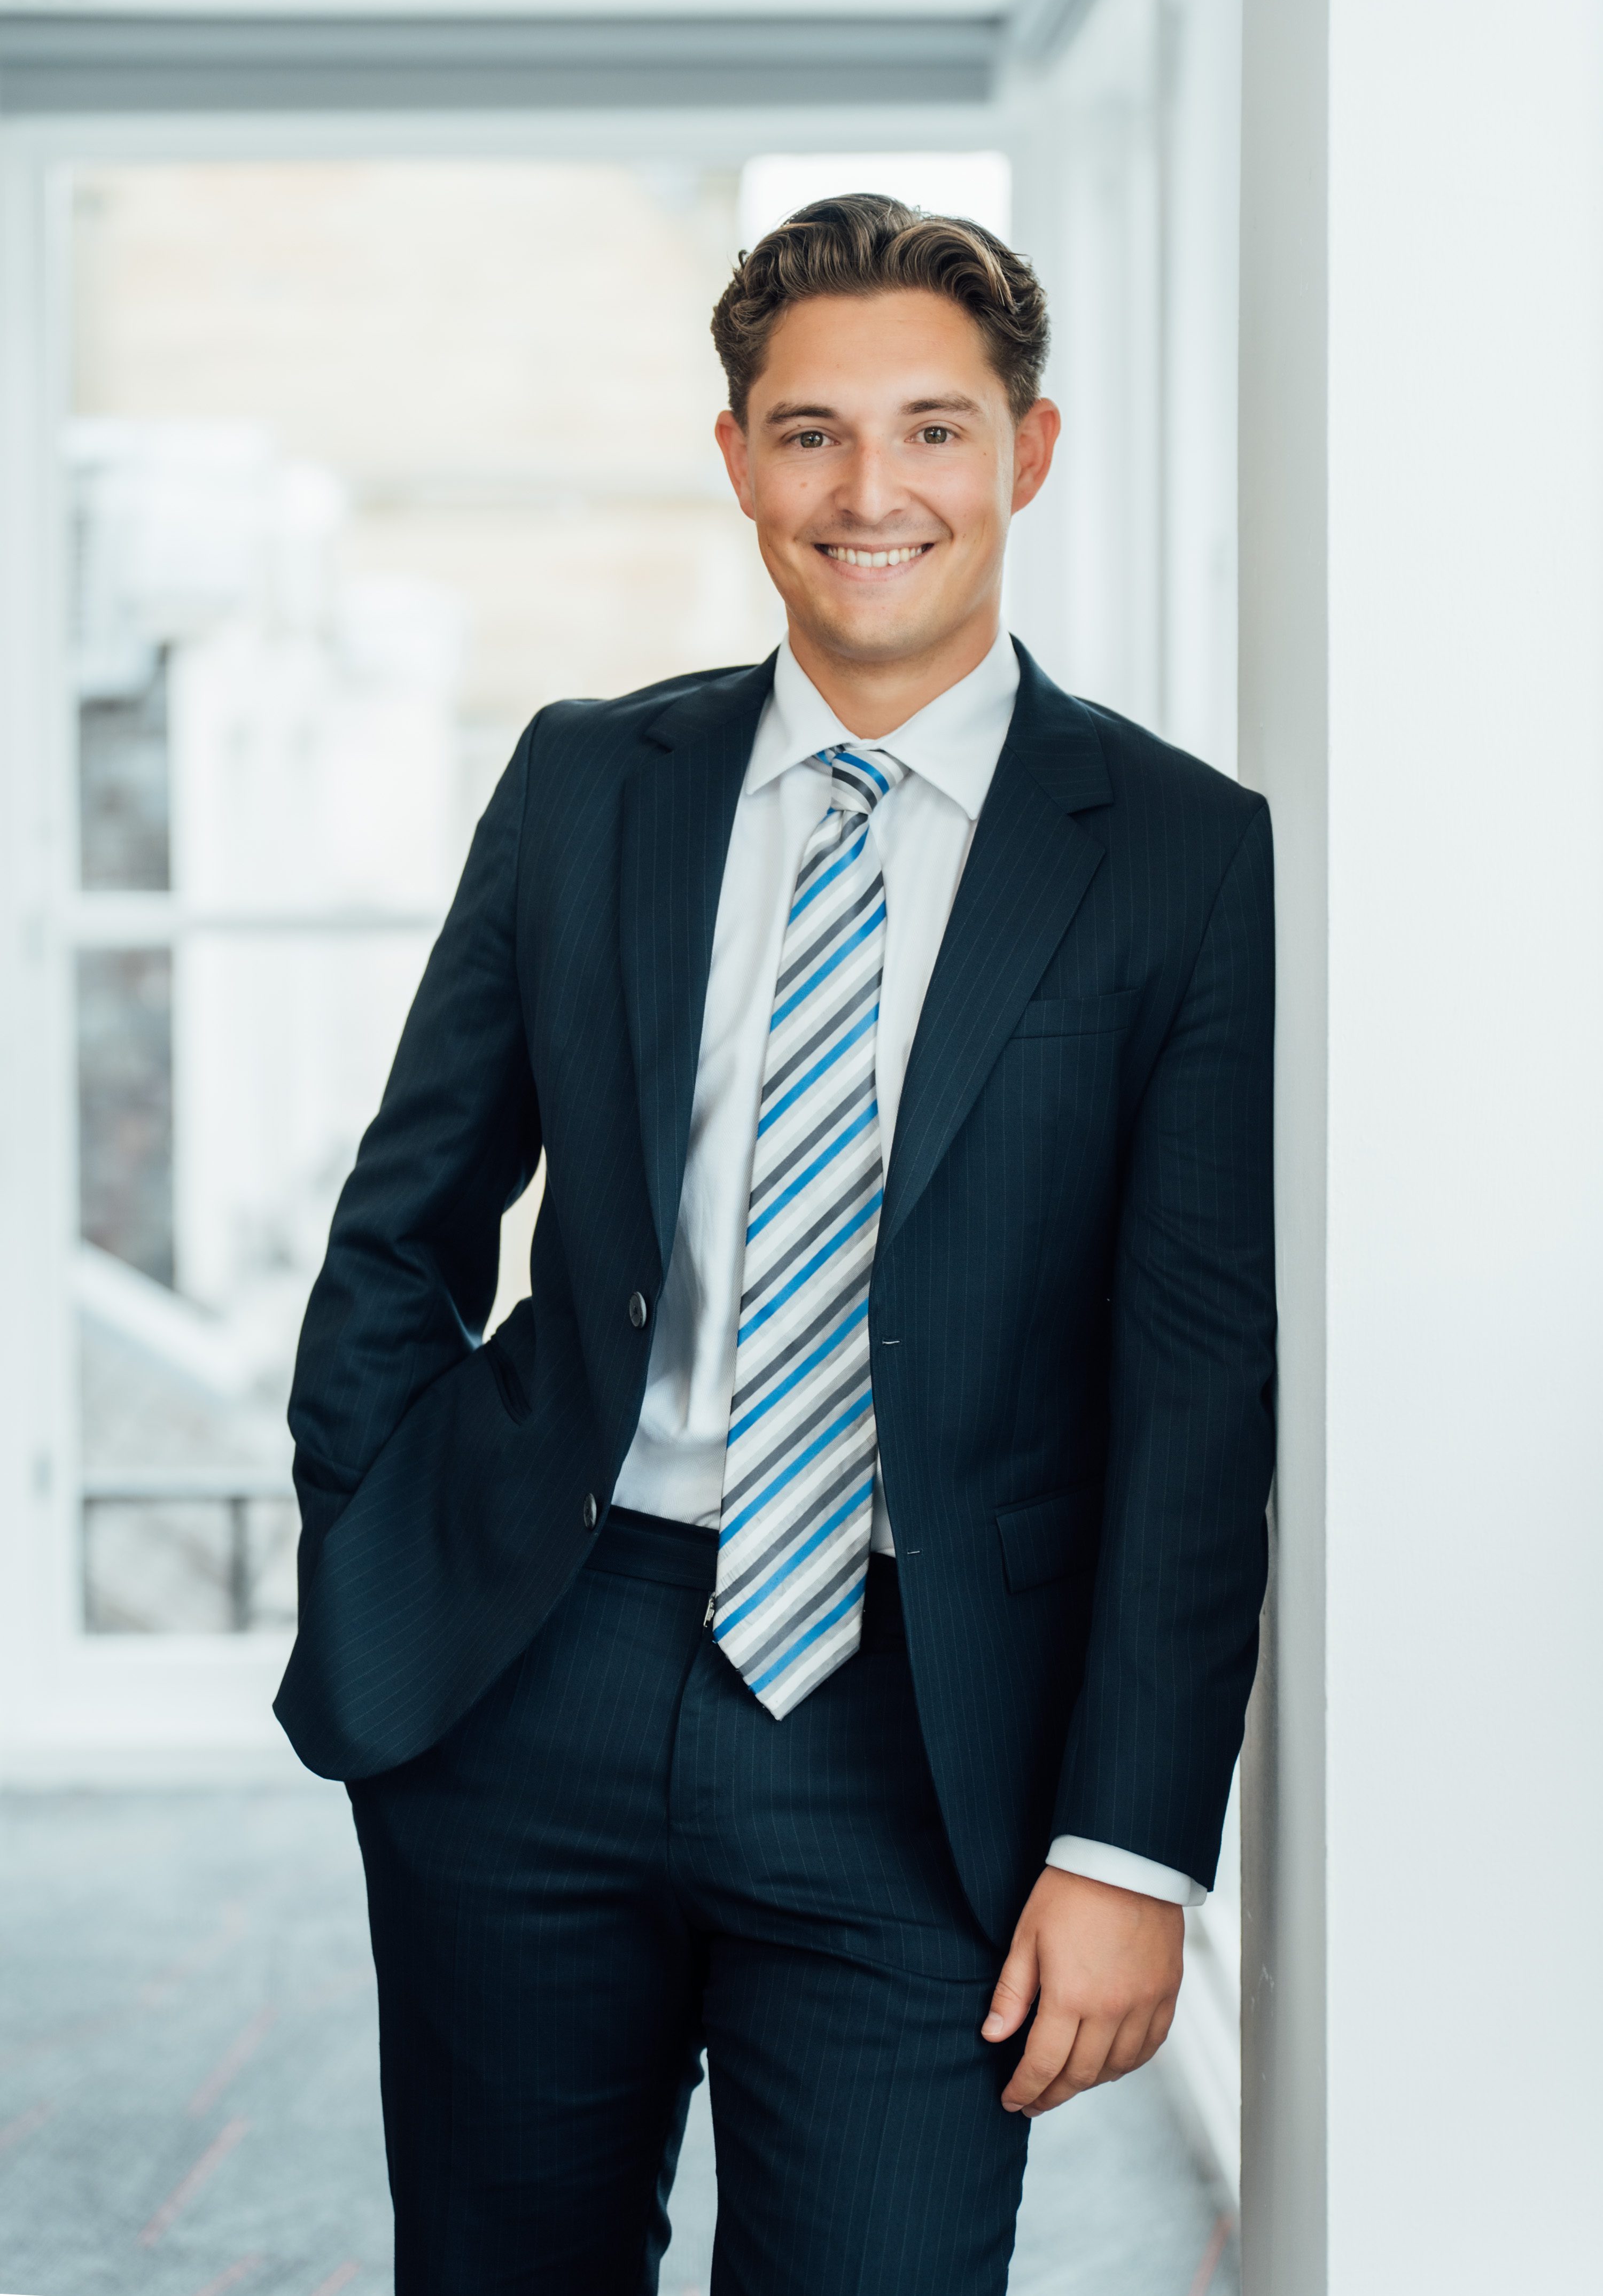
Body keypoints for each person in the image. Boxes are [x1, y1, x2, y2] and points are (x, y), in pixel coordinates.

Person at [275, 193, 1275, 2295]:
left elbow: (1199, 1385)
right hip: (537, 1664)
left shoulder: (1181, 850)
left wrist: (1132, 1842)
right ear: (736, 461)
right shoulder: (587, 783)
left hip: (930, 1719)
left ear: (1032, 449)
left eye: (930, 427)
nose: (870, 489)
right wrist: (386, 1554)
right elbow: (406, 1220)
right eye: (810, 434)